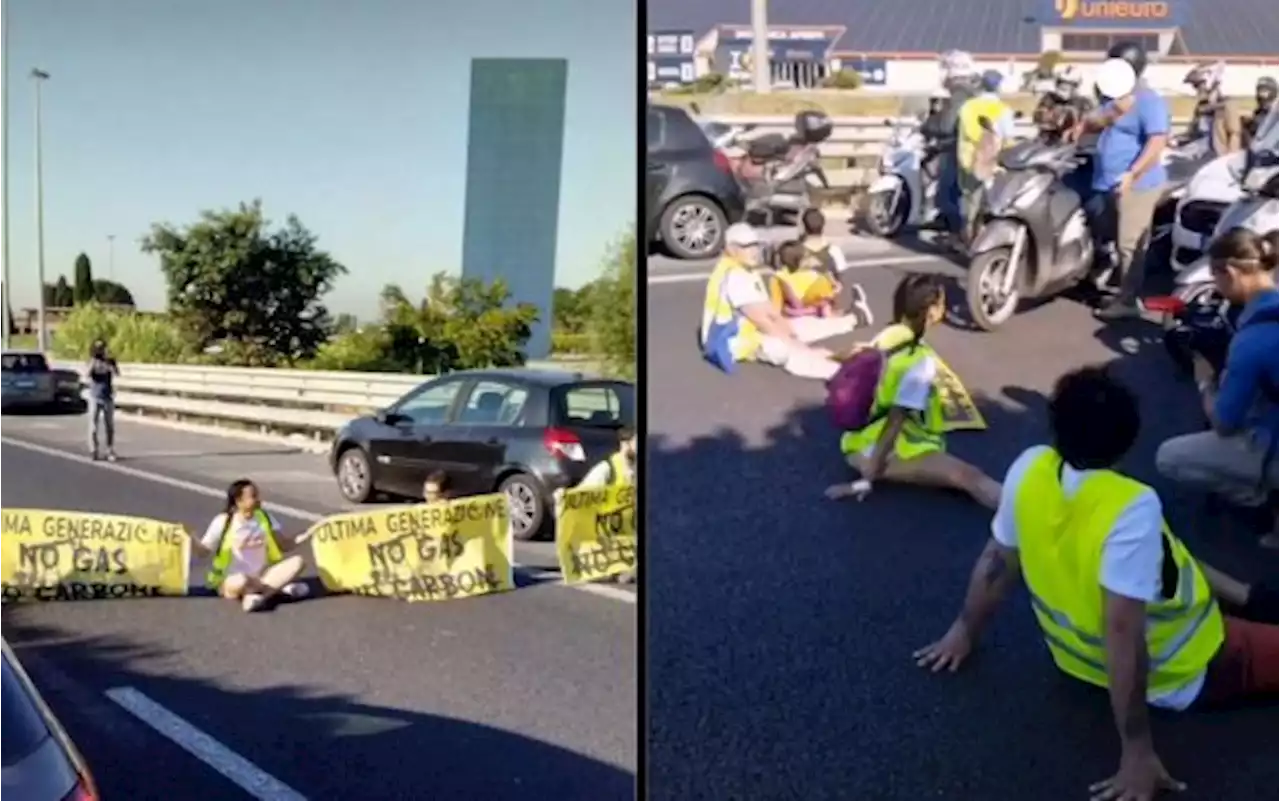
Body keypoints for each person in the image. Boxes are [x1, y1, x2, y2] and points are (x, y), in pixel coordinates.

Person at [913, 365, 1280, 801]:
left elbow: (997, 559)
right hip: (1187, 664)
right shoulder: (1131, 507)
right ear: (1128, 441)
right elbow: (1123, 632)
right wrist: (1137, 752)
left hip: (1077, 661)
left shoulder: (1031, 469)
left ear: (1056, 428)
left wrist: (963, 632)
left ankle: (1253, 598)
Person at [825, 273, 1001, 509]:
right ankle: (1025, 518)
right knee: (969, 476)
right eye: (941, 304)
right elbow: (895, 423)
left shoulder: (888, 335)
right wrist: (866, 480)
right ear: (931, 311)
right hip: (882, 452)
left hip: (856, 442)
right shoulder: (918, 361)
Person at [1156, 228, 1280, 547]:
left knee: (1168, 457)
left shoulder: (1253, 340)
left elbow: (1223, 423)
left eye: (1216, 278)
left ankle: (1260, 495)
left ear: (1231, 272)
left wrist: (1203, 379)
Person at [1076, 45, 1171, 322]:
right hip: (1106, 183)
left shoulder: (1149, 101)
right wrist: (1099, 119)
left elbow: (1157, 142)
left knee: (1129, 243)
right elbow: (1095, 122)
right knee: (1106, 234)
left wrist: (1133, 173)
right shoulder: (1116, 97)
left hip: (1138, 185)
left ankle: (1128, 300)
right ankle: (1104, 277)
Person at [700, 222, 859, 381]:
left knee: (798, 327)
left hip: (750, 329)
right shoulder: (735, 276)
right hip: (735, 341)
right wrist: (798, 346)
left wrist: (790, 332)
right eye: (747, 246)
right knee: (786, 350)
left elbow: (769, 311)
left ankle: (852, 321)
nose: (754, 251)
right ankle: (840, 373)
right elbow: (762, 320)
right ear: (731, 249)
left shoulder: (745, 269)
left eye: (755, 245)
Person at [195, 479, 311, 612]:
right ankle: (277, 590)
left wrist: (306, 536)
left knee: (298, 562)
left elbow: (284, 545)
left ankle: (259, 596)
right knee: (241, 580)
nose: (258, 500)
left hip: (262, 577)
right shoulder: (223, 521)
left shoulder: (264, 517)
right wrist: (191, 540)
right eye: (253, 496)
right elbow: (203, 552)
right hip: (232, 580)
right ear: (239, 501)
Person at [922, 51, 980, 240]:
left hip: (956, 147)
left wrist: (928, 125)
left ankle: (954, 233)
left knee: (950, 189)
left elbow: (946, 125)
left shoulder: (958, 94)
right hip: (973, 147)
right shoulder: (974, 91)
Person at [956, 70, 1015, 246]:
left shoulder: (967, 106)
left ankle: (965, 235)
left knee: (968, 199)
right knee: (990, 201)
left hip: (967, 159)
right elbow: (1008, 137)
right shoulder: (1002, 109)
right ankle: (981, 240)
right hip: (991, 161)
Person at [1183, 61, 1239, 154]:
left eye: (1197, 85)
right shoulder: (1201, 107)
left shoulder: (1226, 106)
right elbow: (1191, 134)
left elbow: (1234, 137)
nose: (1195, 90)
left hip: (1214, 158)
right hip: (1197, 153)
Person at [1033, 66, 1091, 145]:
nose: (1064, 86)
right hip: (1048, 141)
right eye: (1061, 82)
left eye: (1069, 84)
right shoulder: (1049, 98)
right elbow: (1039, 118)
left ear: (1076, 86)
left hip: (1072, 144)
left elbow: (1088, 123)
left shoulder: (1084, 103)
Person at [86, 339, 119, 462]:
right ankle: (93, 449)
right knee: (93, 426)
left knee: (109, 425)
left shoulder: (110, 361)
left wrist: (111, 365)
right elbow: (87, 374)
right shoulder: (92, 361)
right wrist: (94, 364)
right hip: (95, 396)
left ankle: (109, 449)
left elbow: (117, 373)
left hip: (107, 397)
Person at [1242, 77, 1278, 149]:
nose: (1260, 95)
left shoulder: (1274, 113)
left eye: (1264, 91)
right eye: (1259, 91)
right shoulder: (1259, 112)